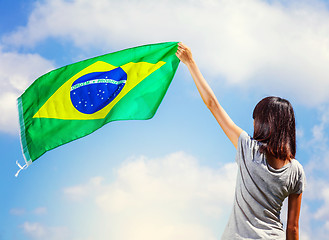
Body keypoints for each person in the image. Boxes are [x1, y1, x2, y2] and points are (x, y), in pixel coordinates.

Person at [176, 42, 305, 240]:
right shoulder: (296, 170)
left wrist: (191, 63)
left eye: (256, 118)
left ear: (263, 122)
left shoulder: (248, 148)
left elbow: (213, 105)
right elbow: (293, 229)